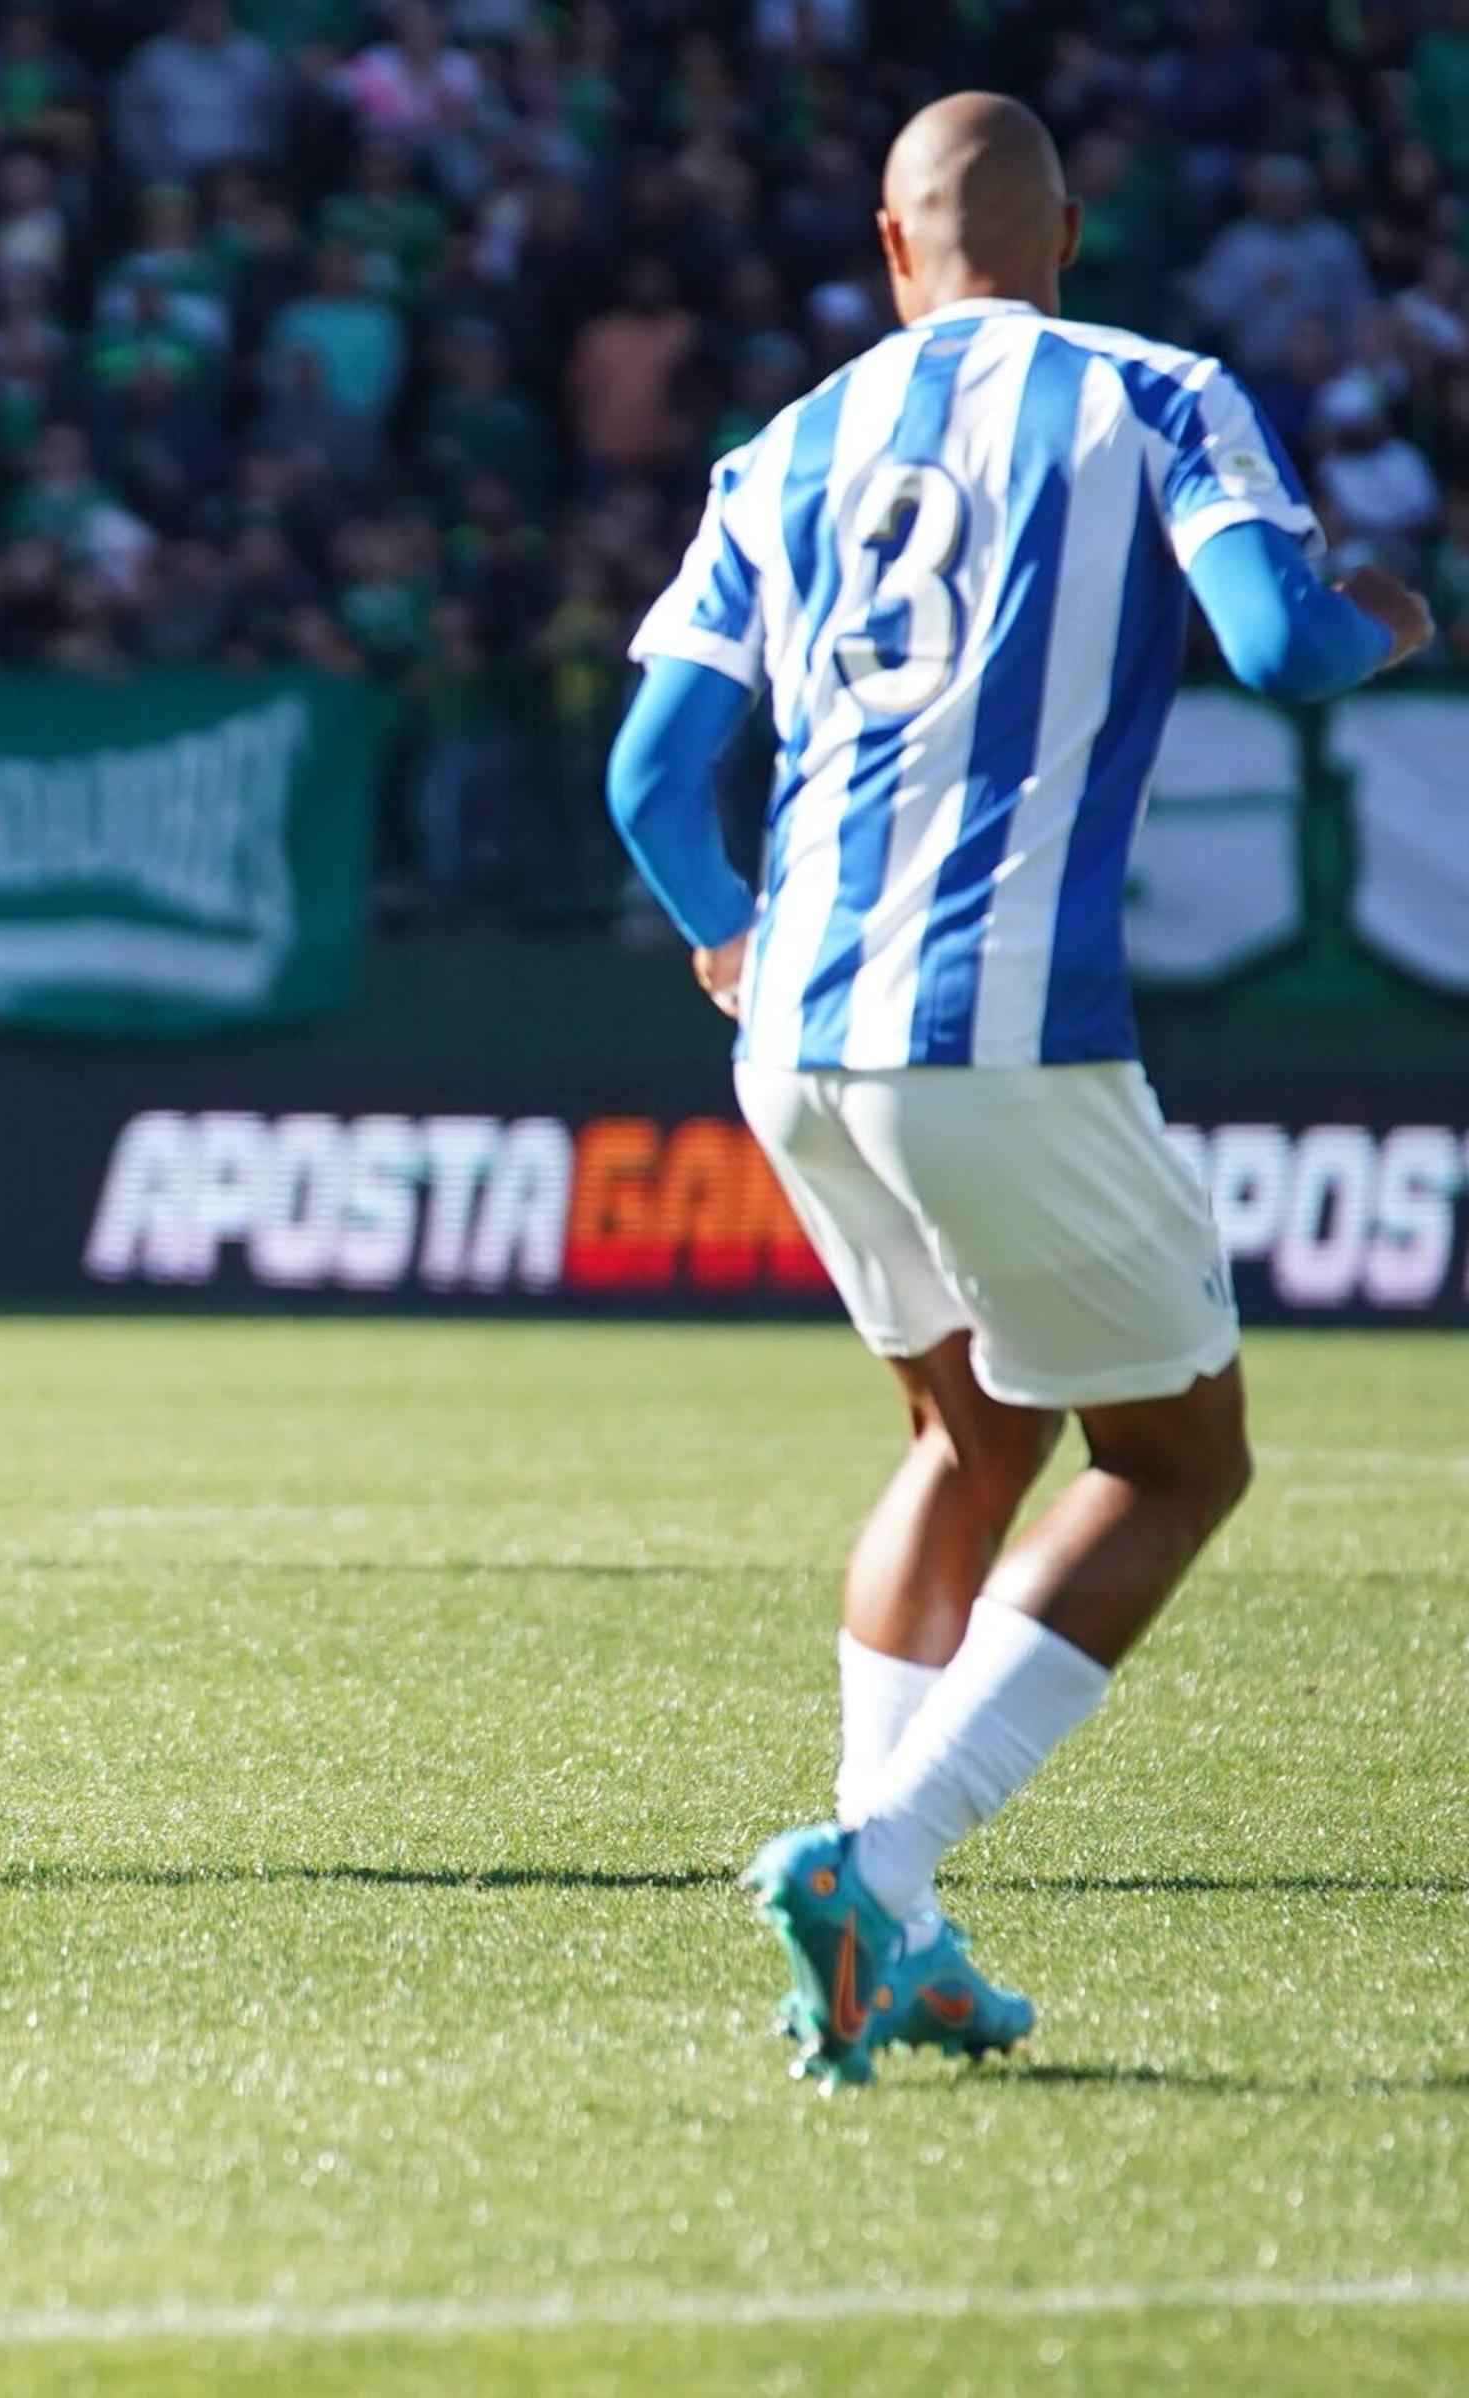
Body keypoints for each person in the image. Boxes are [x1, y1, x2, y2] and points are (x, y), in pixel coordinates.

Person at [606, 93, 1432, 2088]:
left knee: (966, 1439)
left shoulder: (783, 445)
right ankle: (880, 1861)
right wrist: (1387, 613)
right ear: (1068, 230)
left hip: (790, 1032)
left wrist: (726, 930)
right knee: (1173, 1461)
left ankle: (892, 1931)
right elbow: (1279, 644)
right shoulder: (1158, 392)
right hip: (993, 1025)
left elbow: (647, 778)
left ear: (893, 254)